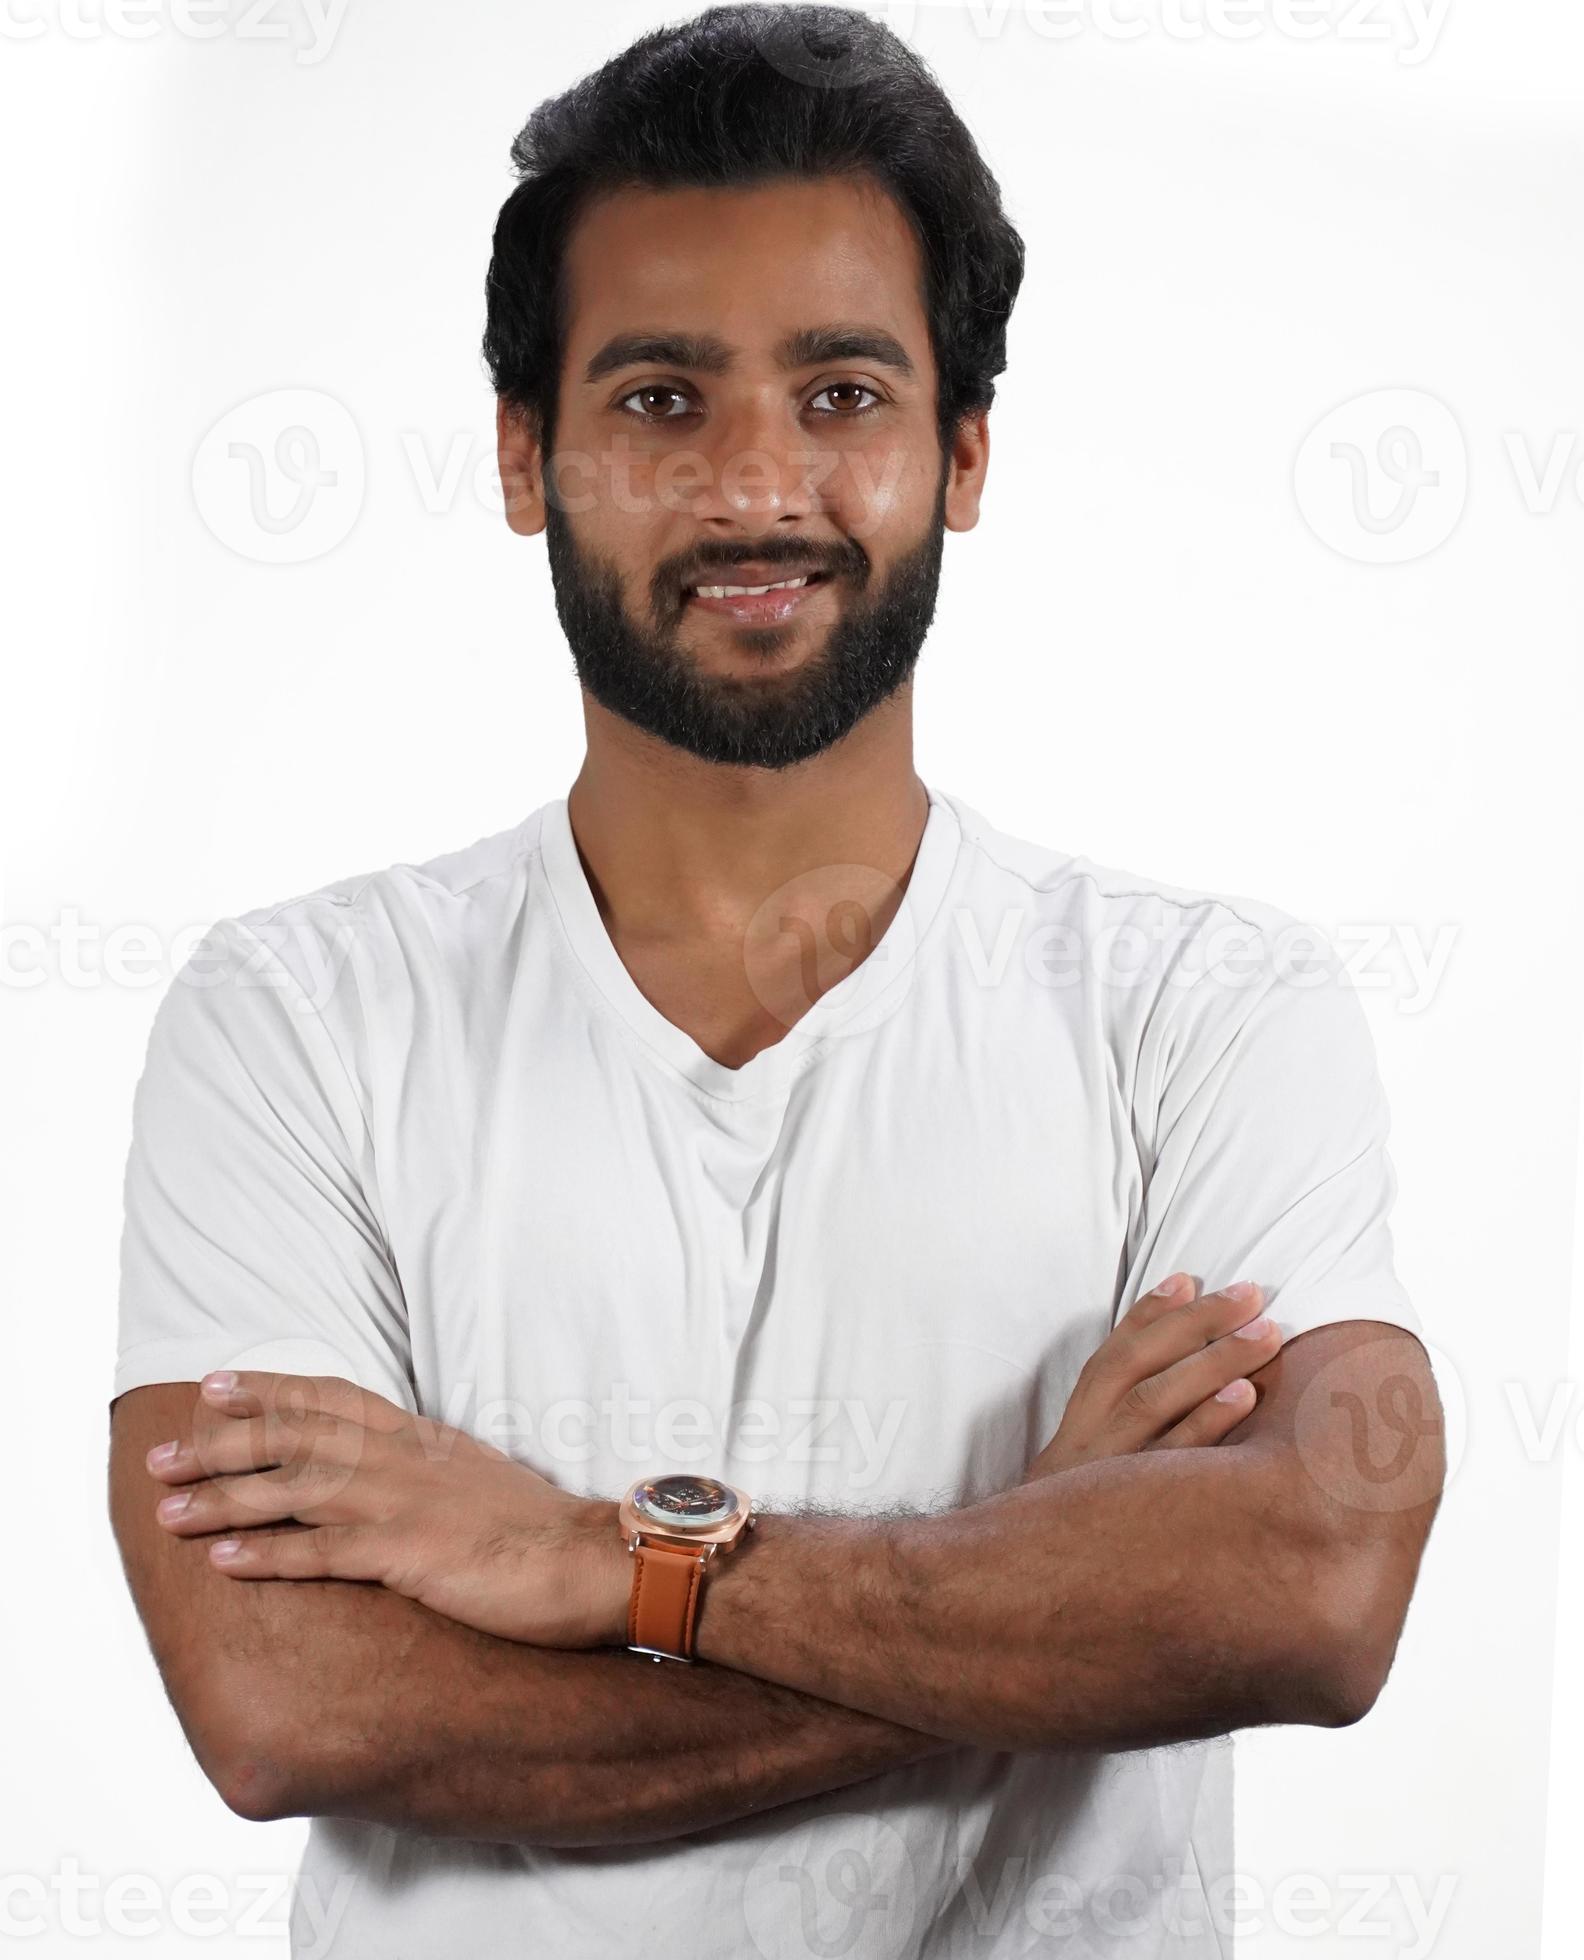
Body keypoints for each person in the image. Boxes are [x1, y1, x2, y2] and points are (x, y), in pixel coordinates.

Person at [108, 8, 1444, 1955]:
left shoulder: (1215, 1004)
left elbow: (1315, 1585)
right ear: (519, 453)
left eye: (841, 393)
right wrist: (1031, 1578)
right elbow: (285, 1699)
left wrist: (596, 1555)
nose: (754, 486)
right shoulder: (295, 1020)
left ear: (961, 448)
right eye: (658, 397)